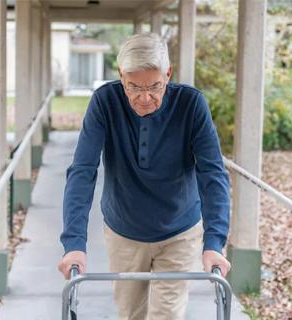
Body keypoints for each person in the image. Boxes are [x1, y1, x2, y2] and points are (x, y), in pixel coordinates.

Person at [57, 32, 231, 320]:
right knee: (131, 315)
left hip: (179, 230)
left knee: (167, 315)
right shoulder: (105, 102)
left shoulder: (191, 104)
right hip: (124, 230)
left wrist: (214, 243)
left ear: (168, 73)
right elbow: (82, 171)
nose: (145, 97)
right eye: (134, 86)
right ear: (121, 75)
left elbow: (212, 173)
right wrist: (73, 244)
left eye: (154, 86)